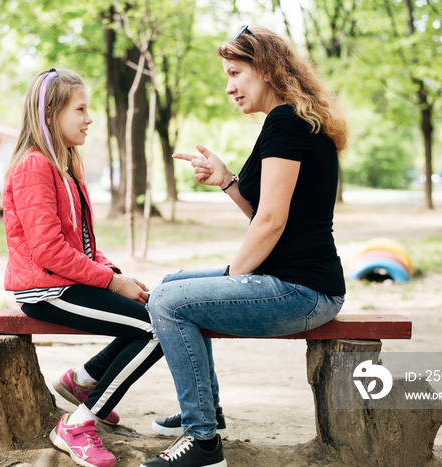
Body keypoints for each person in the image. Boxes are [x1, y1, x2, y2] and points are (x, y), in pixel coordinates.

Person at [141, 26, 348, 467]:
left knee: (168, 302)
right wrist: (227, 180)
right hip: (296, 282)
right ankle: (207, 408)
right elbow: (267, 213)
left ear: (268, 69)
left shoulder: (286, 122)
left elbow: (272, 221)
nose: (229, 86)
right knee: (170, 285)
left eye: (236, 72)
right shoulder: (291, 119)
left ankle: (203, 441)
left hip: (302, 289)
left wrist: (235, 277)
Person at [3, 68, 163, 467]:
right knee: (154, 332)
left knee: (154, 317)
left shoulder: (67, 166)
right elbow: (49, 251)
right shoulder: (34, 167)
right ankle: (79, 422)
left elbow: (84, 244)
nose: (89, 118)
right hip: (46, 291)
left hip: (66, 282)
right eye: (80, 109)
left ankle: (85, 379)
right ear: (50, 113)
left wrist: (117, 276)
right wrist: (110, 282)